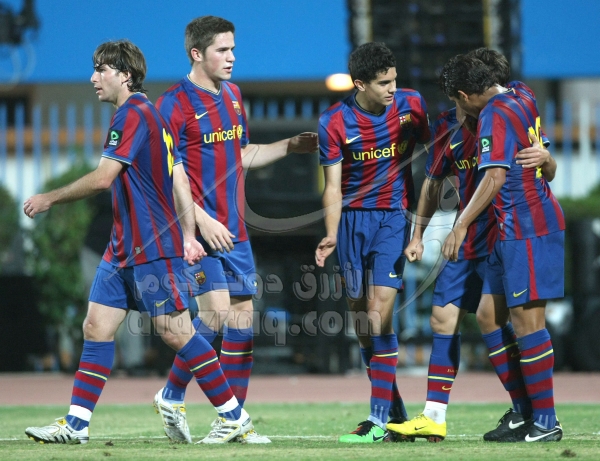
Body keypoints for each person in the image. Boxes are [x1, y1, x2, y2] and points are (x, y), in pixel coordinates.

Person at [23, 39, 254, 445]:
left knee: (177, 333)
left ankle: (233, 416)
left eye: (102, 69)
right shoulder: (151, 114)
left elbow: (103, 178)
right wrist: (189, 234)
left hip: (152, 247)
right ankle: (76, 424)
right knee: (96, 327)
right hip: (122, 249)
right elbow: (178, 174)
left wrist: (49, 199)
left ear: (125, 75)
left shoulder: (132, 114)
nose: (93, 78)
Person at [153, 16, 318, 444]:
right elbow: (165, 175)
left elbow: (239, 154)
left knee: (242, 324)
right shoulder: (173, 105)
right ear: (196, 53)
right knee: (215, 314)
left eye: (233, 49)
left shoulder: (233, 96)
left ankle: (231, 423)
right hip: (198, 231)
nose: (232, 57)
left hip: (235, 231)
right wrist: (200, 221)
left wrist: (287, 147)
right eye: (222, 50)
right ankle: (175, 395)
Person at [387, 48, 557, 443]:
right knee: (448, 317)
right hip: (470, 237)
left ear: (467, 93)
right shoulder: (451, 125)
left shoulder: (508, 107)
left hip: (506, 230)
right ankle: (436, 415)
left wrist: (547, 158)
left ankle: (538, 416)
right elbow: (432, 184)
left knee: (519, 321)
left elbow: (539, 168)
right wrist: (417, 235)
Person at [439, 54, 565, 443]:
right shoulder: (522, 94)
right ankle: (524, 412)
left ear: (465, 95)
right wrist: (547, 158)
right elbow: (543, 163)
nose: (457, 111)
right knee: (488, 317)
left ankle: (546, 421)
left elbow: (494, 175)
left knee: (529, 323)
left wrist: (460, 224)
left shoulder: (494, 113)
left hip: (527, 225)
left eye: (456, 101)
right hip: (506, 229)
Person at [315, 41, 430, 443]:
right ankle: (395, 412)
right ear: (360, 84)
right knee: (363, 321)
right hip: (350, 222)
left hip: (393, 218)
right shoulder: (334, 122)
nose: (392, 88)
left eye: (394, 80)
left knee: (379, 315)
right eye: (383, 83)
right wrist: (331, 234)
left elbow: (436, 158)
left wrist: (420, 228)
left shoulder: (411, 105)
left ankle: (377, 420)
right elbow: (332, 187)